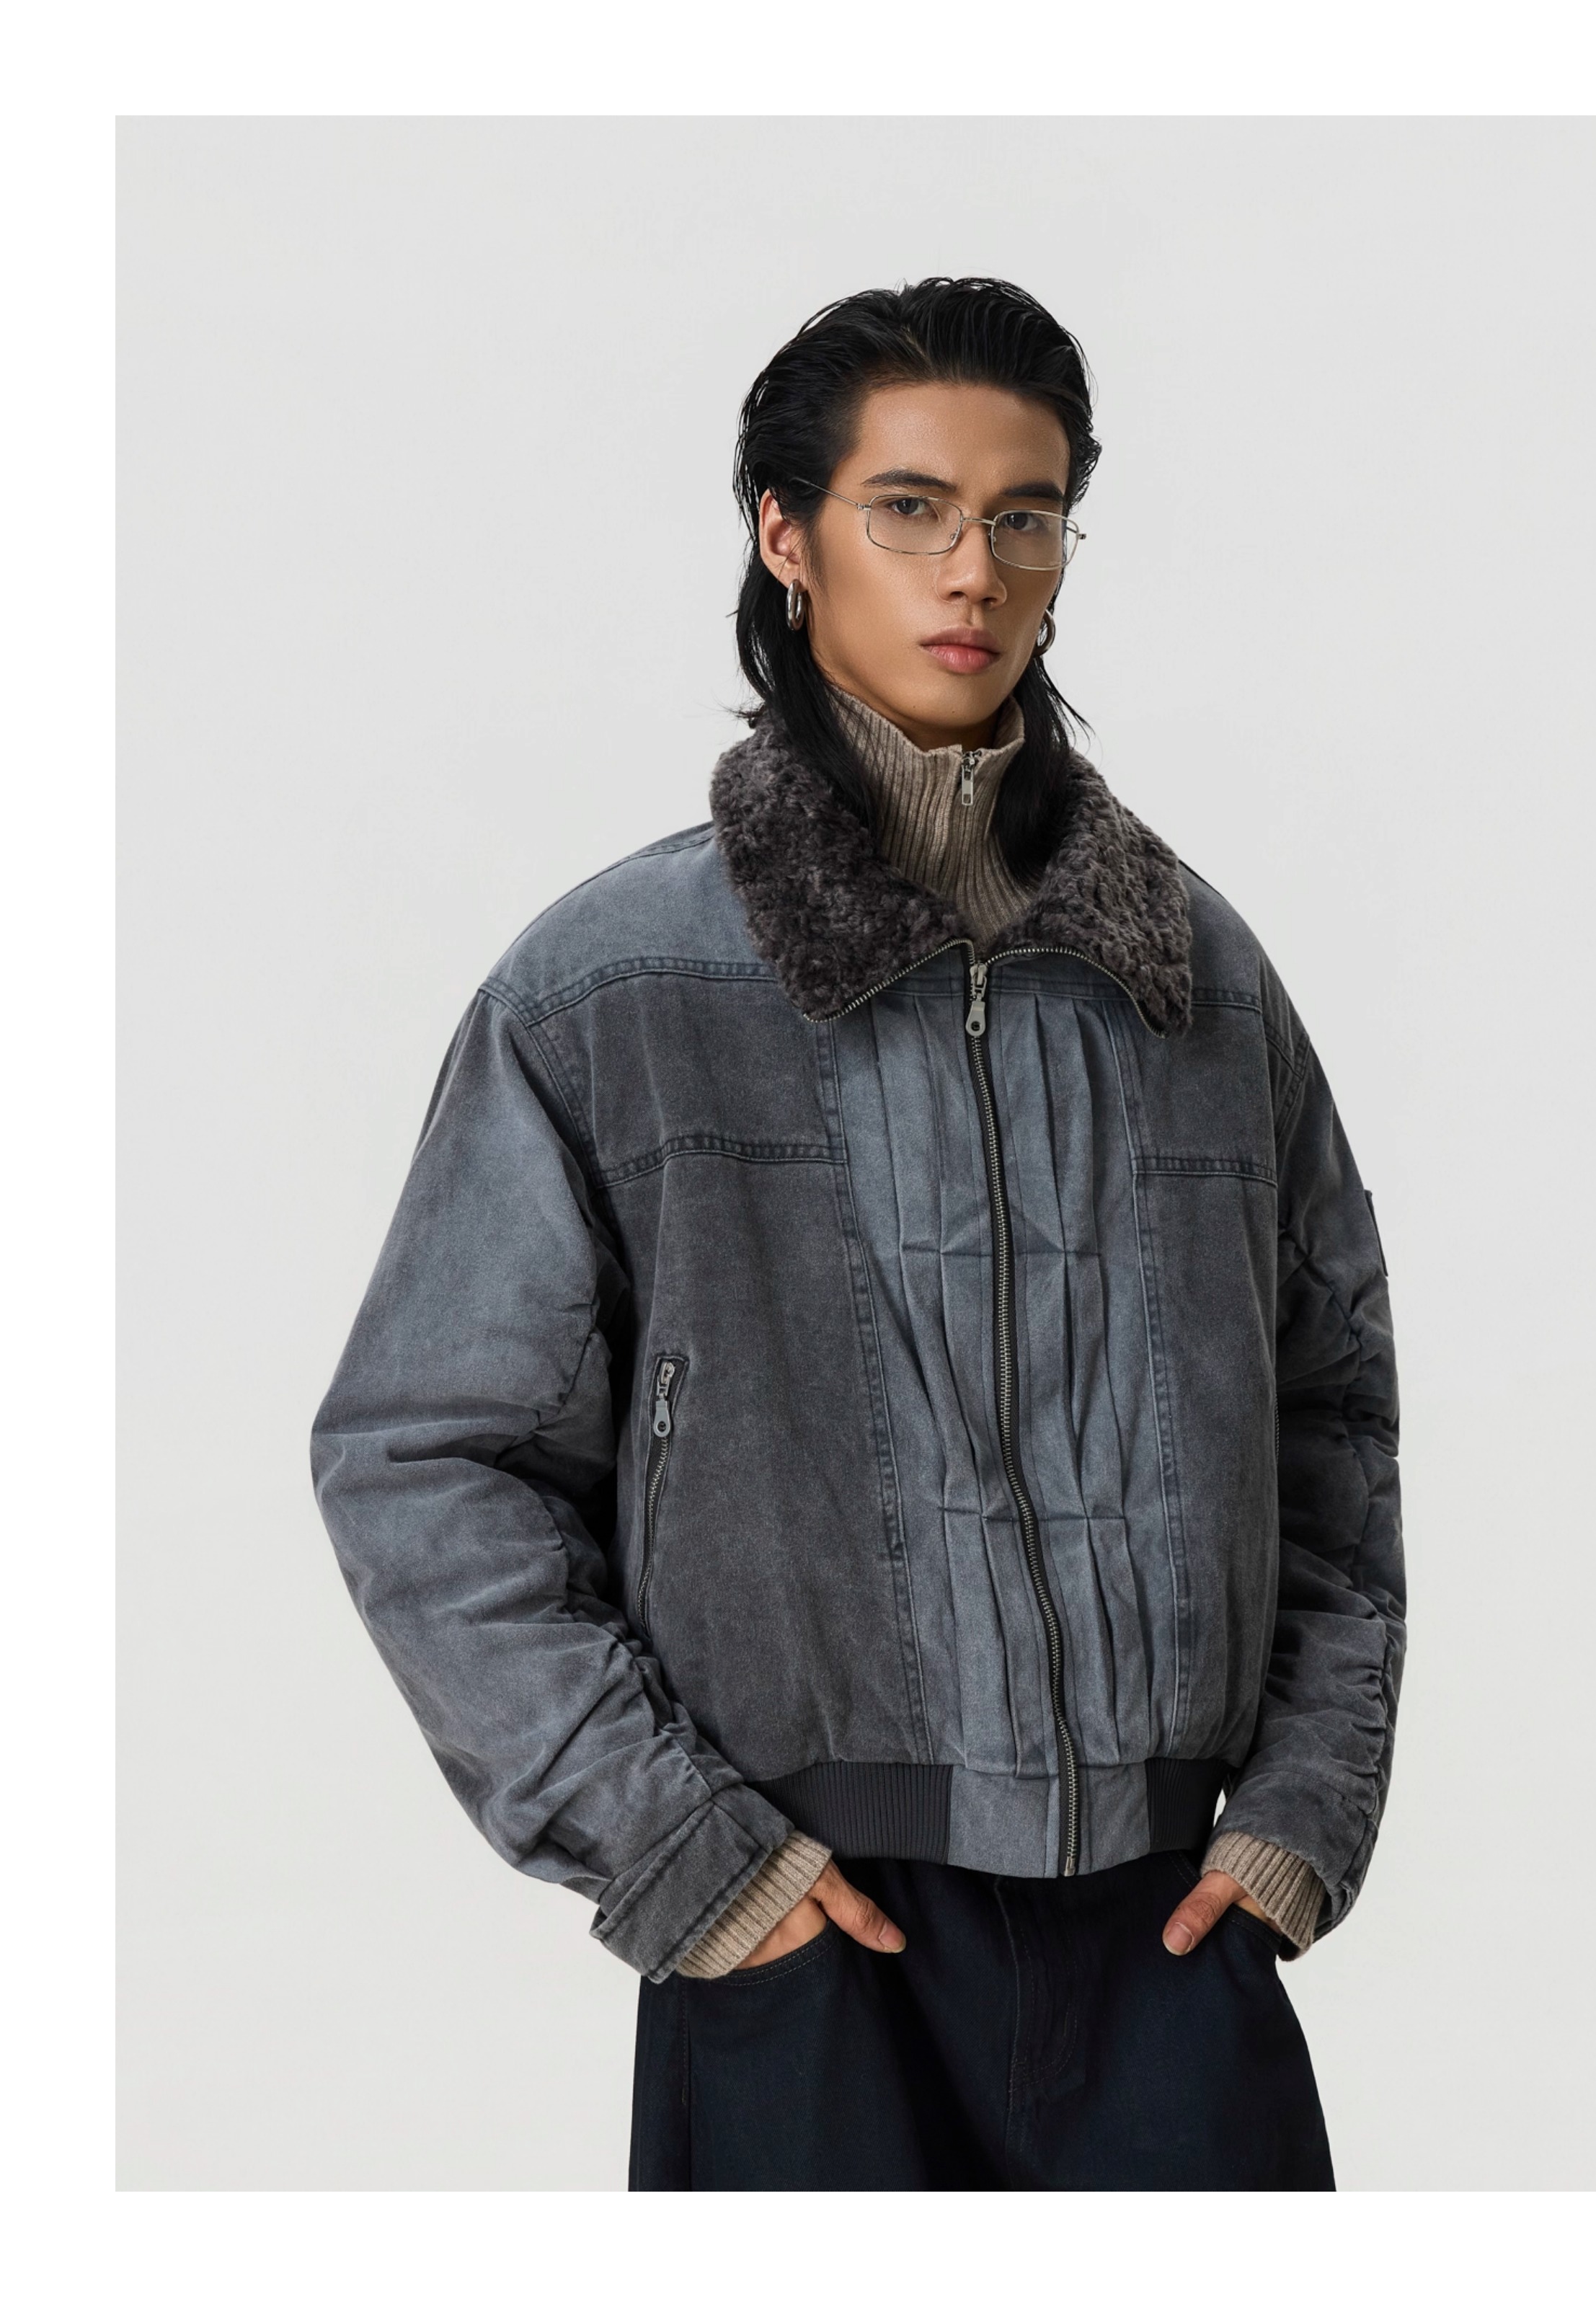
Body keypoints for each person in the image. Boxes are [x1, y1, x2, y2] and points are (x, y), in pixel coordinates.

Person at [311, 275, 1405, 2192]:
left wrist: (1302, 1811)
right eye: (909, 508)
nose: (973, 569)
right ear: (786, 535)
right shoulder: (616, 985)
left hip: (1171, 1938)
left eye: (1026, 515)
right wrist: (686, 1861)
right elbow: (425, 1455)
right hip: (804, 1932)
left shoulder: (1200, 979)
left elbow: (1333, 1417)